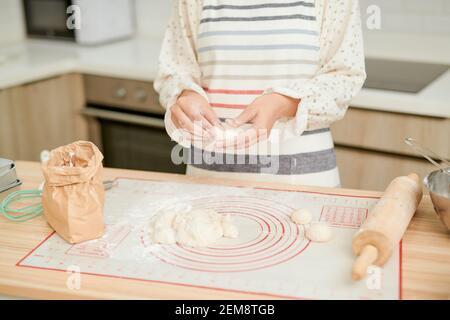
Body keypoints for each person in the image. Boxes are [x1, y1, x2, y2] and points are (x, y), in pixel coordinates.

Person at [154, 0, 366, 187]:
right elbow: (175, 70)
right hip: (208, 177)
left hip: (302, 180)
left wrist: (283, 103)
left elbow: (344, 76)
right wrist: (187, 95)